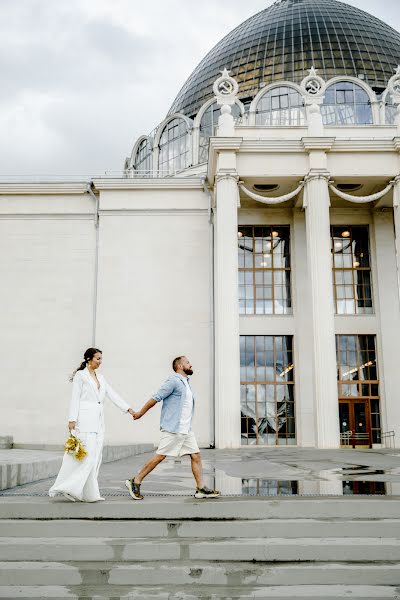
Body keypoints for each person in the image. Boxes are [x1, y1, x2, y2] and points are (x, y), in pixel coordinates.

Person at [125, 355, 220, 500]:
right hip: (174, 429)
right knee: (160, 457)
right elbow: (155, 398)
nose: (191, 364)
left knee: (196, 455)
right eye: (188, 362)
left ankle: (201, 488)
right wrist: (140, 414)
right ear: (180, 366)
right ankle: (135, 481)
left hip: (186, 430)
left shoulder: (186, 383)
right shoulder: (173, 381)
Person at [49, 347, 135, 502]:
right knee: (85, 457)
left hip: (98, 422)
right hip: (84, 421)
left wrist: (128, 409)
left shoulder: (101, 377)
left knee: (95, 458)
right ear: (89, 359)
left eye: (101, 359)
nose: (100, 362)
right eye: (98, 359)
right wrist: (72, 419)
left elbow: (112, 394)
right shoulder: (80, 376)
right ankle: (69, 487)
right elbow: (75, 398)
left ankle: (89, 494)